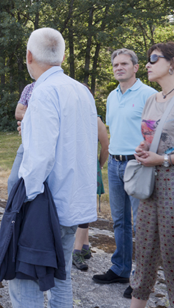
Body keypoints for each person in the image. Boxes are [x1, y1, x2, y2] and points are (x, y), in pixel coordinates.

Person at [7, 28, 97, 307]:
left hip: (46, 207)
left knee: (25, 281)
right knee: (62, 276)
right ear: (62, 55)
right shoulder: (81, 90)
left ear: (29, 56)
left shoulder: (43, 92)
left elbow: (40, 157)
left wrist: (25, 201)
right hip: (75, 201)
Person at [129, 42, 174, 307]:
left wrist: (165, 159)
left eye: (153, 59)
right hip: (150, 186)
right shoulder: (151, 99)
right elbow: (151, 140)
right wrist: (143, 149)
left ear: (172, 63)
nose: (147, 64)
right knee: (144, 254)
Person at [92, 49, 156, 298]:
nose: (119, 67)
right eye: (115, 64)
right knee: (120, 222)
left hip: (138, 165)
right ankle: (120, 268)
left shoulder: (148, 94)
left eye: (124, 64)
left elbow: (153, 131)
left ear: (136, 67)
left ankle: (141, 280)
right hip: (115, 164)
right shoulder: (111, 96)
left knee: (142, 226)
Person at [71, 87, 110, 271]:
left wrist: (99, 165)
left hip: (88, 167)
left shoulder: (95, 120)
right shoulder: (69, 117)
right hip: (72, 167)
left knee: (85, 206)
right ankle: (85, 246)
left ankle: (76, 251)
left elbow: (105, 146)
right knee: (80, 205)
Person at [7, 81, 34, 195]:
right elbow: (18, 113)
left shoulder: (56, 85)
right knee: (13, 181)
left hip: (46, 145)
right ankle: (13, 212)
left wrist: (28, 114)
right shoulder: (29, 88)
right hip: (26, 143)